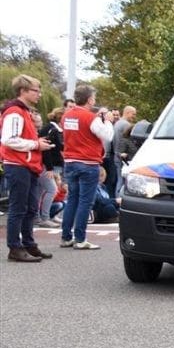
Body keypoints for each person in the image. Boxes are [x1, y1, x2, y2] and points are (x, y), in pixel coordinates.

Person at [1, 74, 54, 262]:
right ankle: (15, 247)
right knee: (18, 208)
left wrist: (36, 142)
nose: (39, 94)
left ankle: (29, 244)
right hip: (18, 165)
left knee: (31, 208)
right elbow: (9, 139)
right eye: (35, 90)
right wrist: (36, 145)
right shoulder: (15, 112)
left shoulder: (24, 112)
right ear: (23, 91)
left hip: (27, 165)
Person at [60, 84, 113, 250]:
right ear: (90, 100)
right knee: (85, 202)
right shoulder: (90, 118)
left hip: (70, 161)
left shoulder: (66, 116)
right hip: (88, 162)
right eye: (94, 98)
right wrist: (108, 121)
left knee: (72, 200)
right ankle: (80, 238)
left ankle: (66, 237)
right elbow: (107, 136)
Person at [37, 107, 64, 227]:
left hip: (49, 164)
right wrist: (49, 167)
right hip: (46, 164)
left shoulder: (54, 129)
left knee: (41, 191)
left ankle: (39, 216)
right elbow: (46, 149)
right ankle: (44, 217)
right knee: (51, 189)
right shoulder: (51, 129)